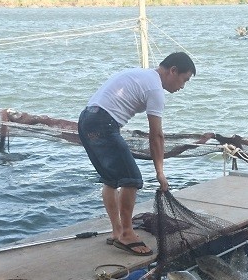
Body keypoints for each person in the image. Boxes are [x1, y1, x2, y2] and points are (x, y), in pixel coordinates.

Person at [77, 52, 196, 256]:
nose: (182, 86)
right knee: (132, 179)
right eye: (184, 79)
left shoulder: (142, 75)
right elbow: (156, 136)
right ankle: (127, 234)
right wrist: (160, 172)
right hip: (104, 124)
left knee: (111, 179)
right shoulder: (155, 89)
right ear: (173, 71)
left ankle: (117, 232)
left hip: (86, 120)